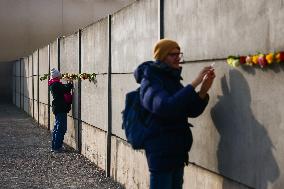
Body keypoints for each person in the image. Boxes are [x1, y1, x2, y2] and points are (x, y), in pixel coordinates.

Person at [134, 39, 215, 189]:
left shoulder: (173, 79)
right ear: (162, 56)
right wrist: (194, 83)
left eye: (179, 54)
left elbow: (190, 111)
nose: (178, 58)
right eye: (173, 54)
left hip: (177, 151)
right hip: (161, 152)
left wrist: (203, 91)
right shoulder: (150, 81)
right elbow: (165, 107)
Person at [48, 68, 73, 153]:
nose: (60, 76)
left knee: (57, 128)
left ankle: (55, 146)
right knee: (61, 128)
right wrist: (70, 83)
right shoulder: (56, 84)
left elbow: (63, 88)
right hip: (60, 108)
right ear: (57, 76)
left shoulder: (53, 83)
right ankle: (57, 147)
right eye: (59, 75)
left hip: (58, 108)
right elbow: (65, 89)